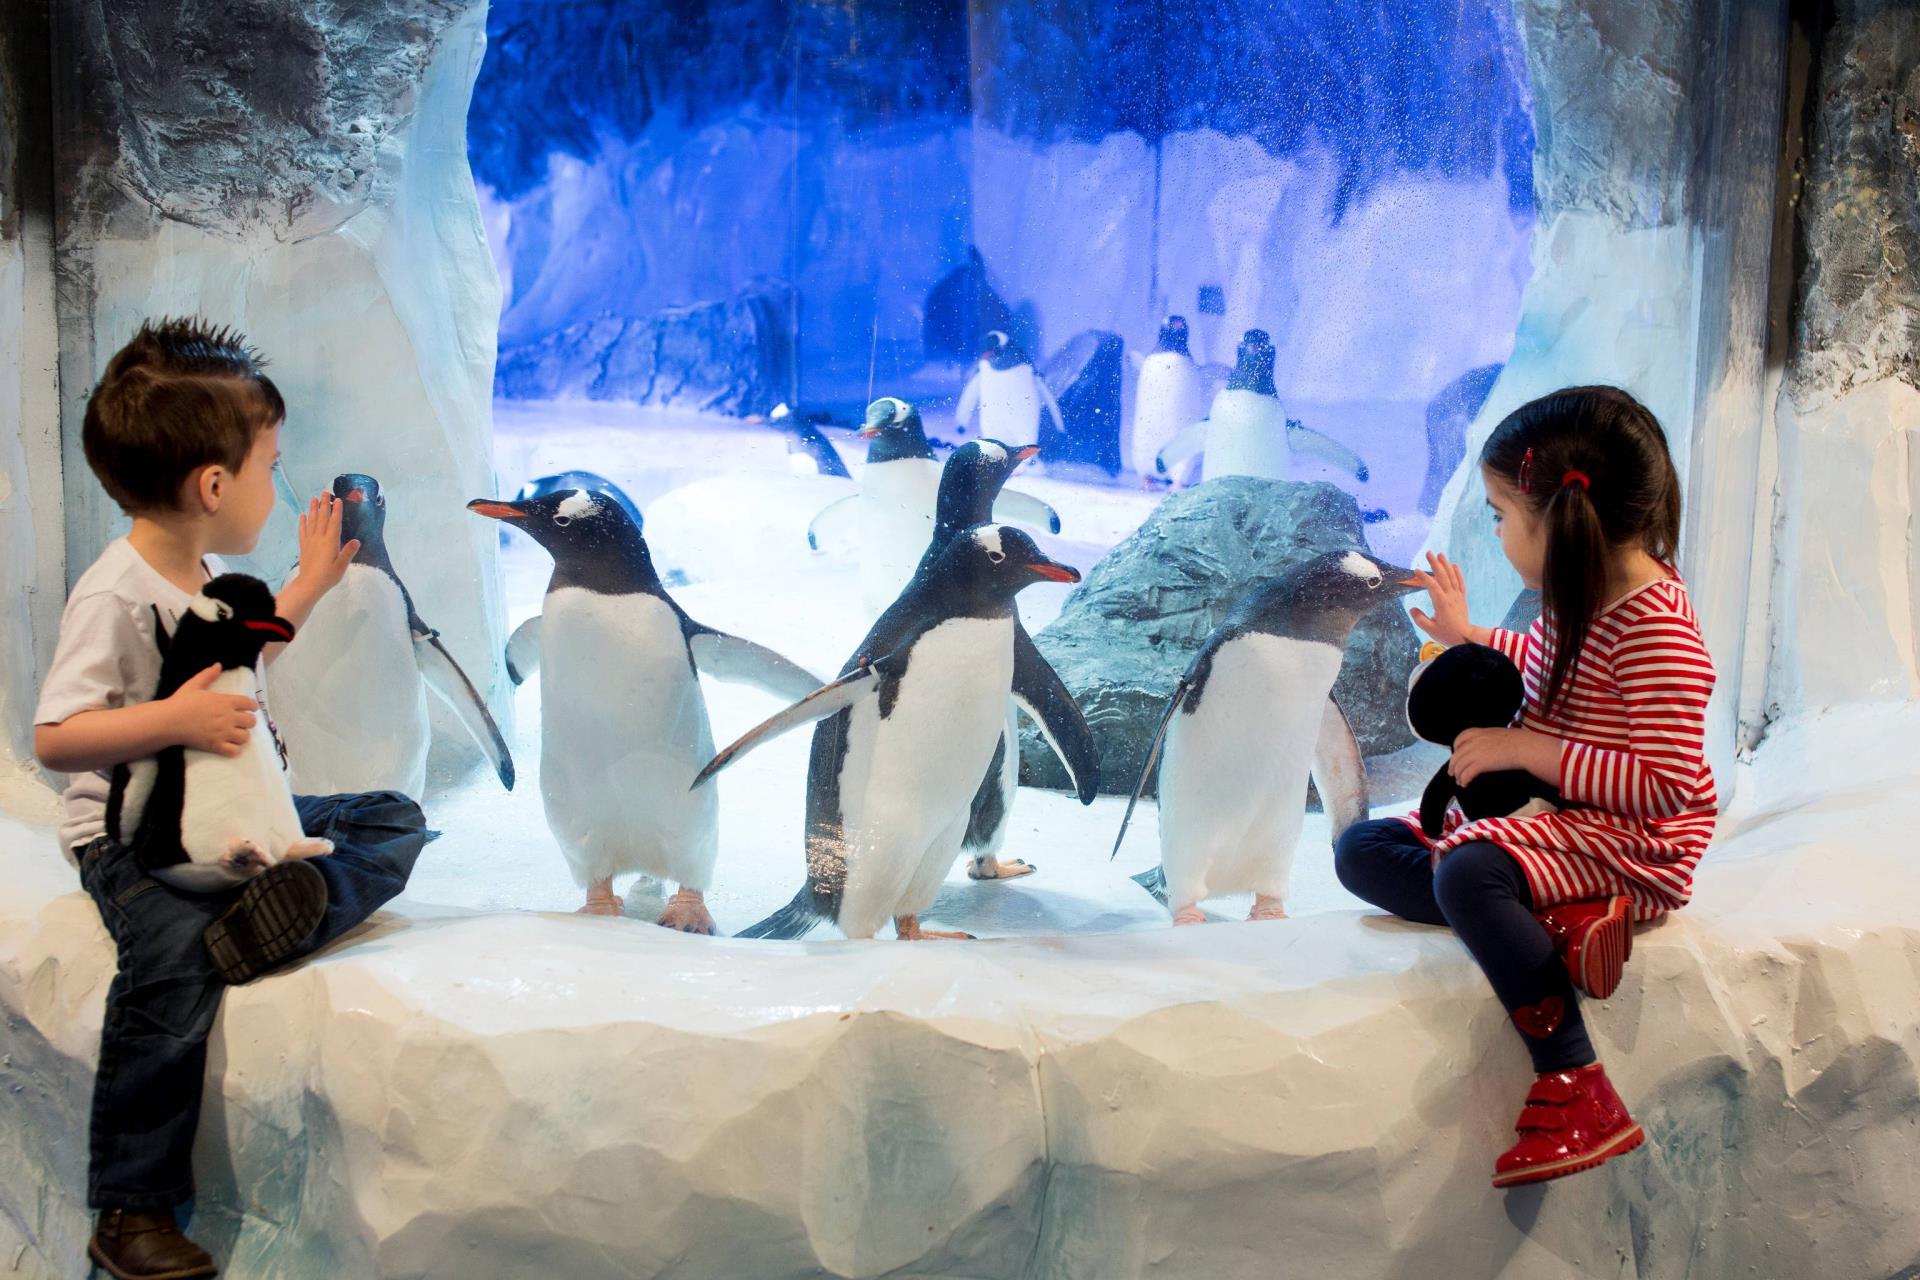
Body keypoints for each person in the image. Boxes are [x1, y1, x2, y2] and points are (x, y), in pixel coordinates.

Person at [32, 318, 429, 1279]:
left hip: (241, 817)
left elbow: (242, 652)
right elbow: (56, 738)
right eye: (269, 468)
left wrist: (310, 584)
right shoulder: (116, 594)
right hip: (138, 841)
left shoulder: (202, 574)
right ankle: (131, 1211)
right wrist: (172, 722)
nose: (276, 485)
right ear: (215, 487)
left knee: (390, 817)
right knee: (168, 968)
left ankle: (266, 907)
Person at [1335, 385, 1717, 1187]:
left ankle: (1576, 1081)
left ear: (1558, 520)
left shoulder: (1657, 628)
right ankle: (1563, 929)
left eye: (1502, 515)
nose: (1499, 532)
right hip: (1570, 823)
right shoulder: (1585, 594)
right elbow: (1544, 669)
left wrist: (1531, 749)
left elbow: (1665, 785)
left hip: (1637, 844)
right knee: (1362, 849)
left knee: (1469, 870)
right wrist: (1468, 635)